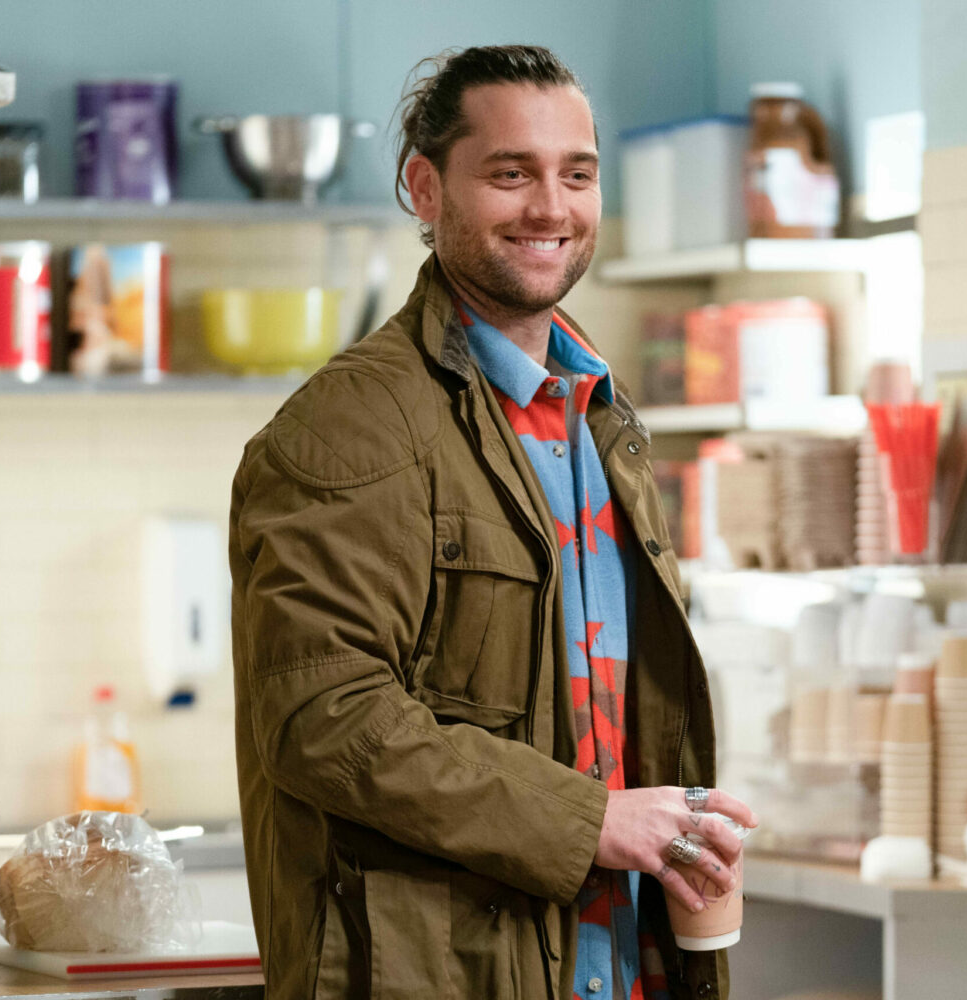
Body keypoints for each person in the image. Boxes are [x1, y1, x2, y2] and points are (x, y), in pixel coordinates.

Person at [229, 44, 756, 1000]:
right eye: (511, 174)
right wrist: (592, 821)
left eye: (577, 175)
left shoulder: (601, 418)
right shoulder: (352, 427)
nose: (551, 207)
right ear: (425, 189)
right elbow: (324, 718)